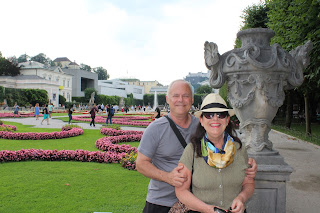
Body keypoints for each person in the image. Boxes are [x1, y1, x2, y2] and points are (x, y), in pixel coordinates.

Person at [136, 79, 257, 213]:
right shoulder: (155, 129)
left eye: (185, 95)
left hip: (196, 200)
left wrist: (248, 163)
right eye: (176, 95)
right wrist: (168, 177)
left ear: (192, 100)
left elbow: (228, 146)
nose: (180, 100)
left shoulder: (205, 126)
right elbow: (141, 164)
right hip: (162, 200)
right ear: (167, 99)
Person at [174, 93, 255, 213]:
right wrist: (208, 209)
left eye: (221, 114)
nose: (215, 119)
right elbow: (181, 191)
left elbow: (248, 183)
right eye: (209, 115)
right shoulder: (192, 150)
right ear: (201, 120)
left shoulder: (239, 149)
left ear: (227, 120)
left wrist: (241, 198)